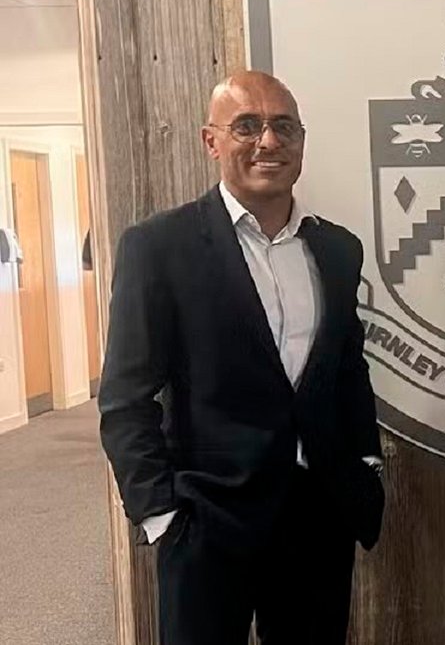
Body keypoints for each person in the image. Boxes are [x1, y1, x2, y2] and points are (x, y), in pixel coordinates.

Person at [98, 70, 384, 645]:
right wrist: (160, 514)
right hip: (207, 521)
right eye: (247, 126)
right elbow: (125, 397)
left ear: (301, 141)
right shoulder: (158, 248)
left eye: (284, 127)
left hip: (319, 516)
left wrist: (366, 464)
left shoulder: (338, 249)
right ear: (212, 141)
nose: (268, 141)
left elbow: (346, 368)